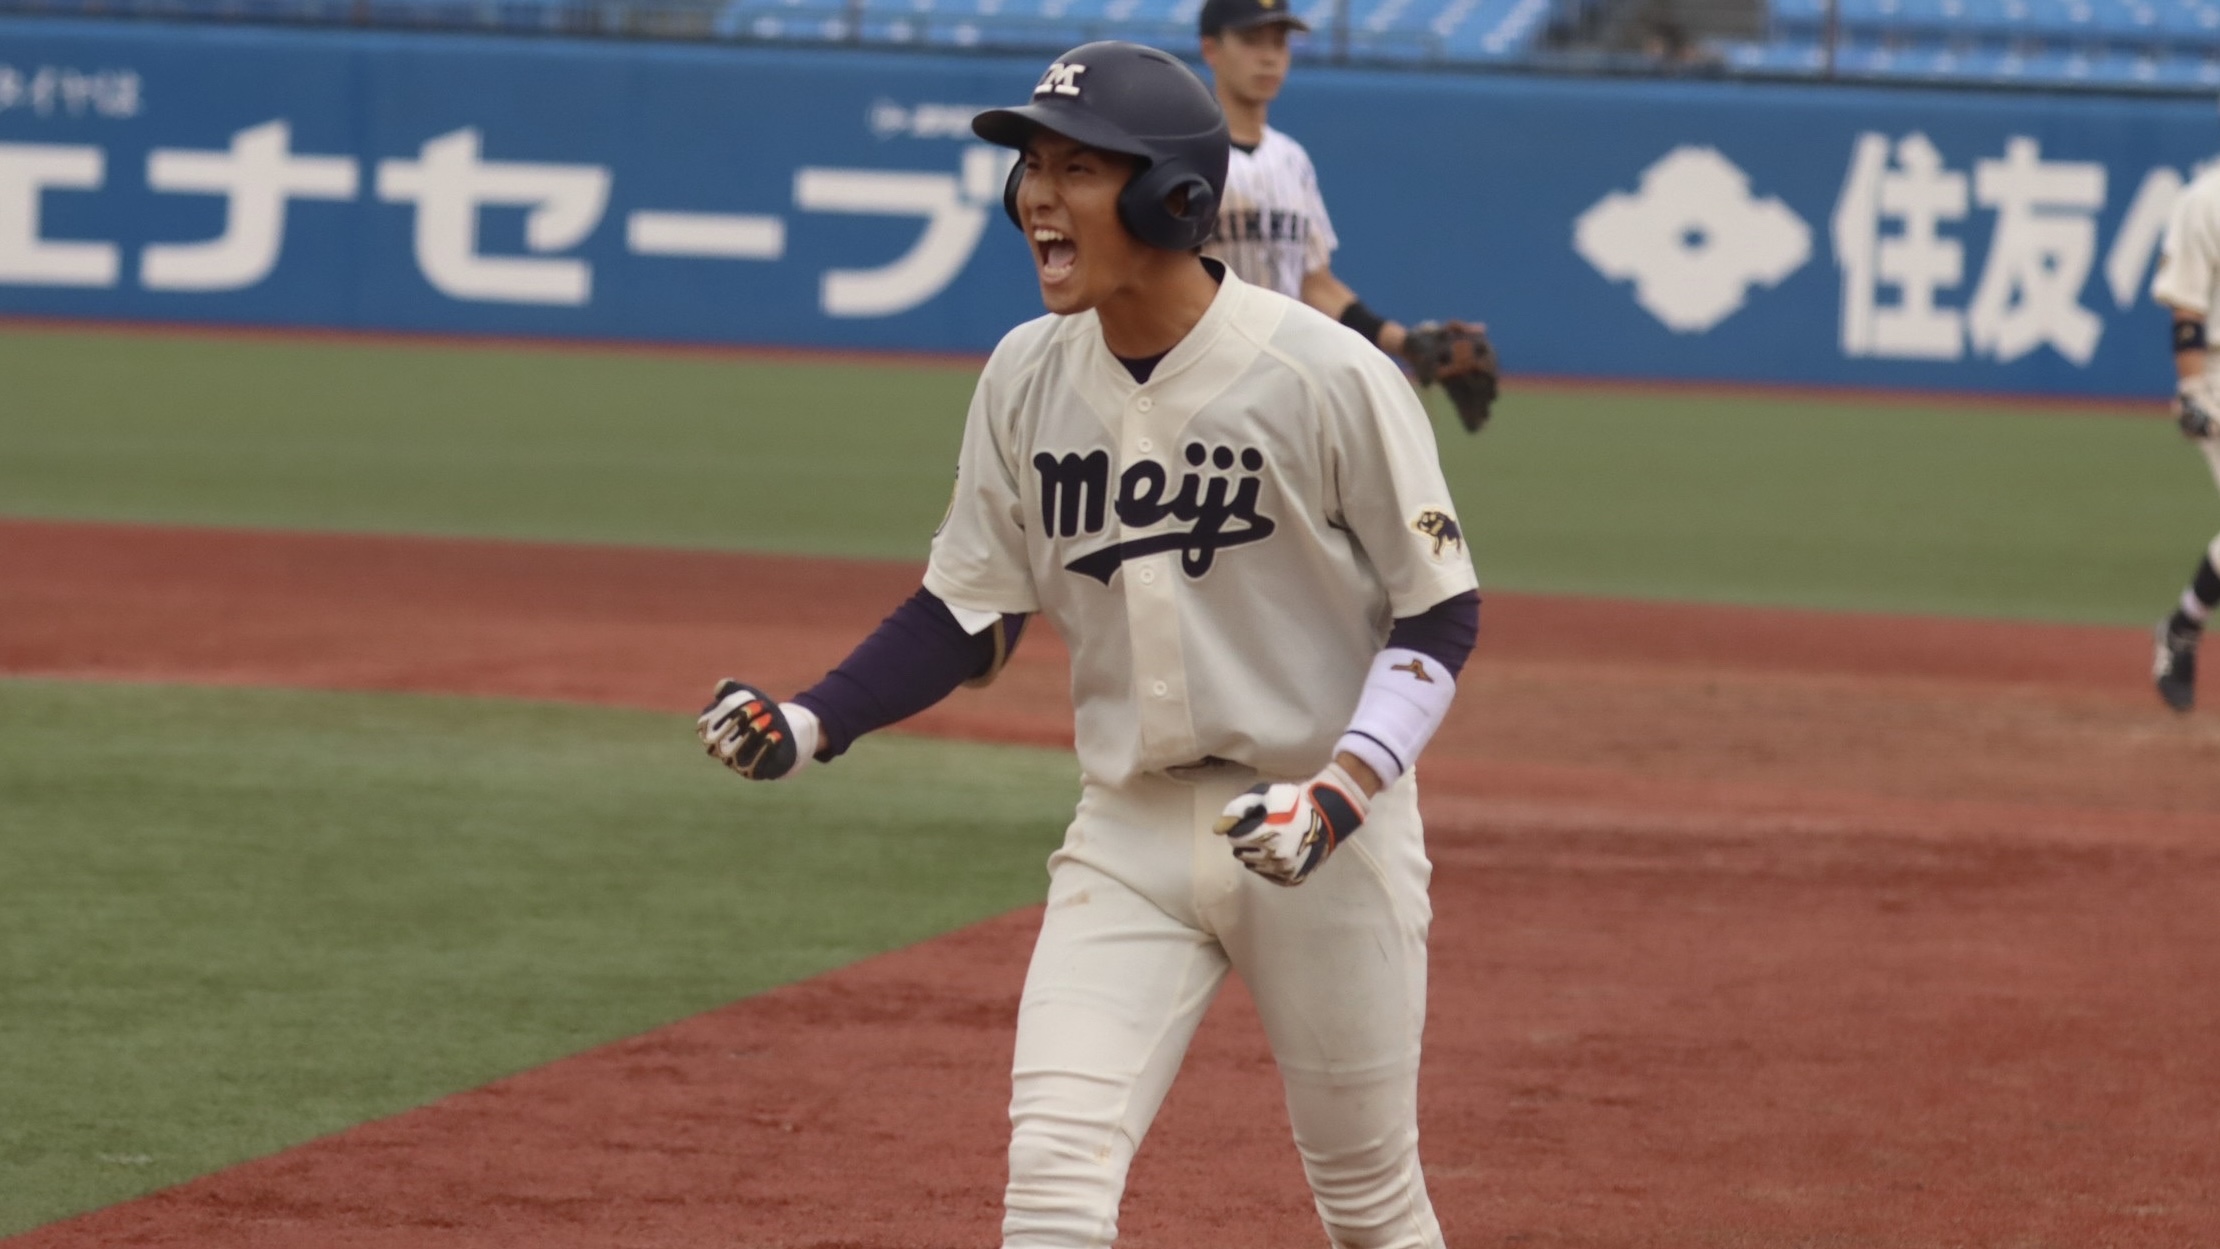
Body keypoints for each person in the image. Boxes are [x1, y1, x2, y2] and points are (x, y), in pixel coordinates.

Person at [696, 41, 1480, 1249]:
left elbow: (1439, 611)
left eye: (1077, 167)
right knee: (1054, 1181)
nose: (1038, 198)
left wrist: (1343, 789)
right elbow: (964, 607)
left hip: (1323, 830)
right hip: (1128, 832)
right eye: (1031, 169)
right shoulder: (1026, 373)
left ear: (1174, 195)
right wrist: (811, 721)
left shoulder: (1327, 375)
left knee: (1369, 1202)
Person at [1197, 0, 1499, 433]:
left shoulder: (1292, 160)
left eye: (1279, 42)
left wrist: (1404, 342)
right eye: (1251, 41)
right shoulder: (1187, 154)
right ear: (1211, 49)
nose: (1268, 57)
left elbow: (1314, 284)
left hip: (1280, 385)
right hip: (1202, 378)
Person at [2148, 165, 2220, 712]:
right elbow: (2187, 304)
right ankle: (2181, 628)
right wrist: (2192, 390)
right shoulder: (2206, 199)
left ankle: (2182, 626)